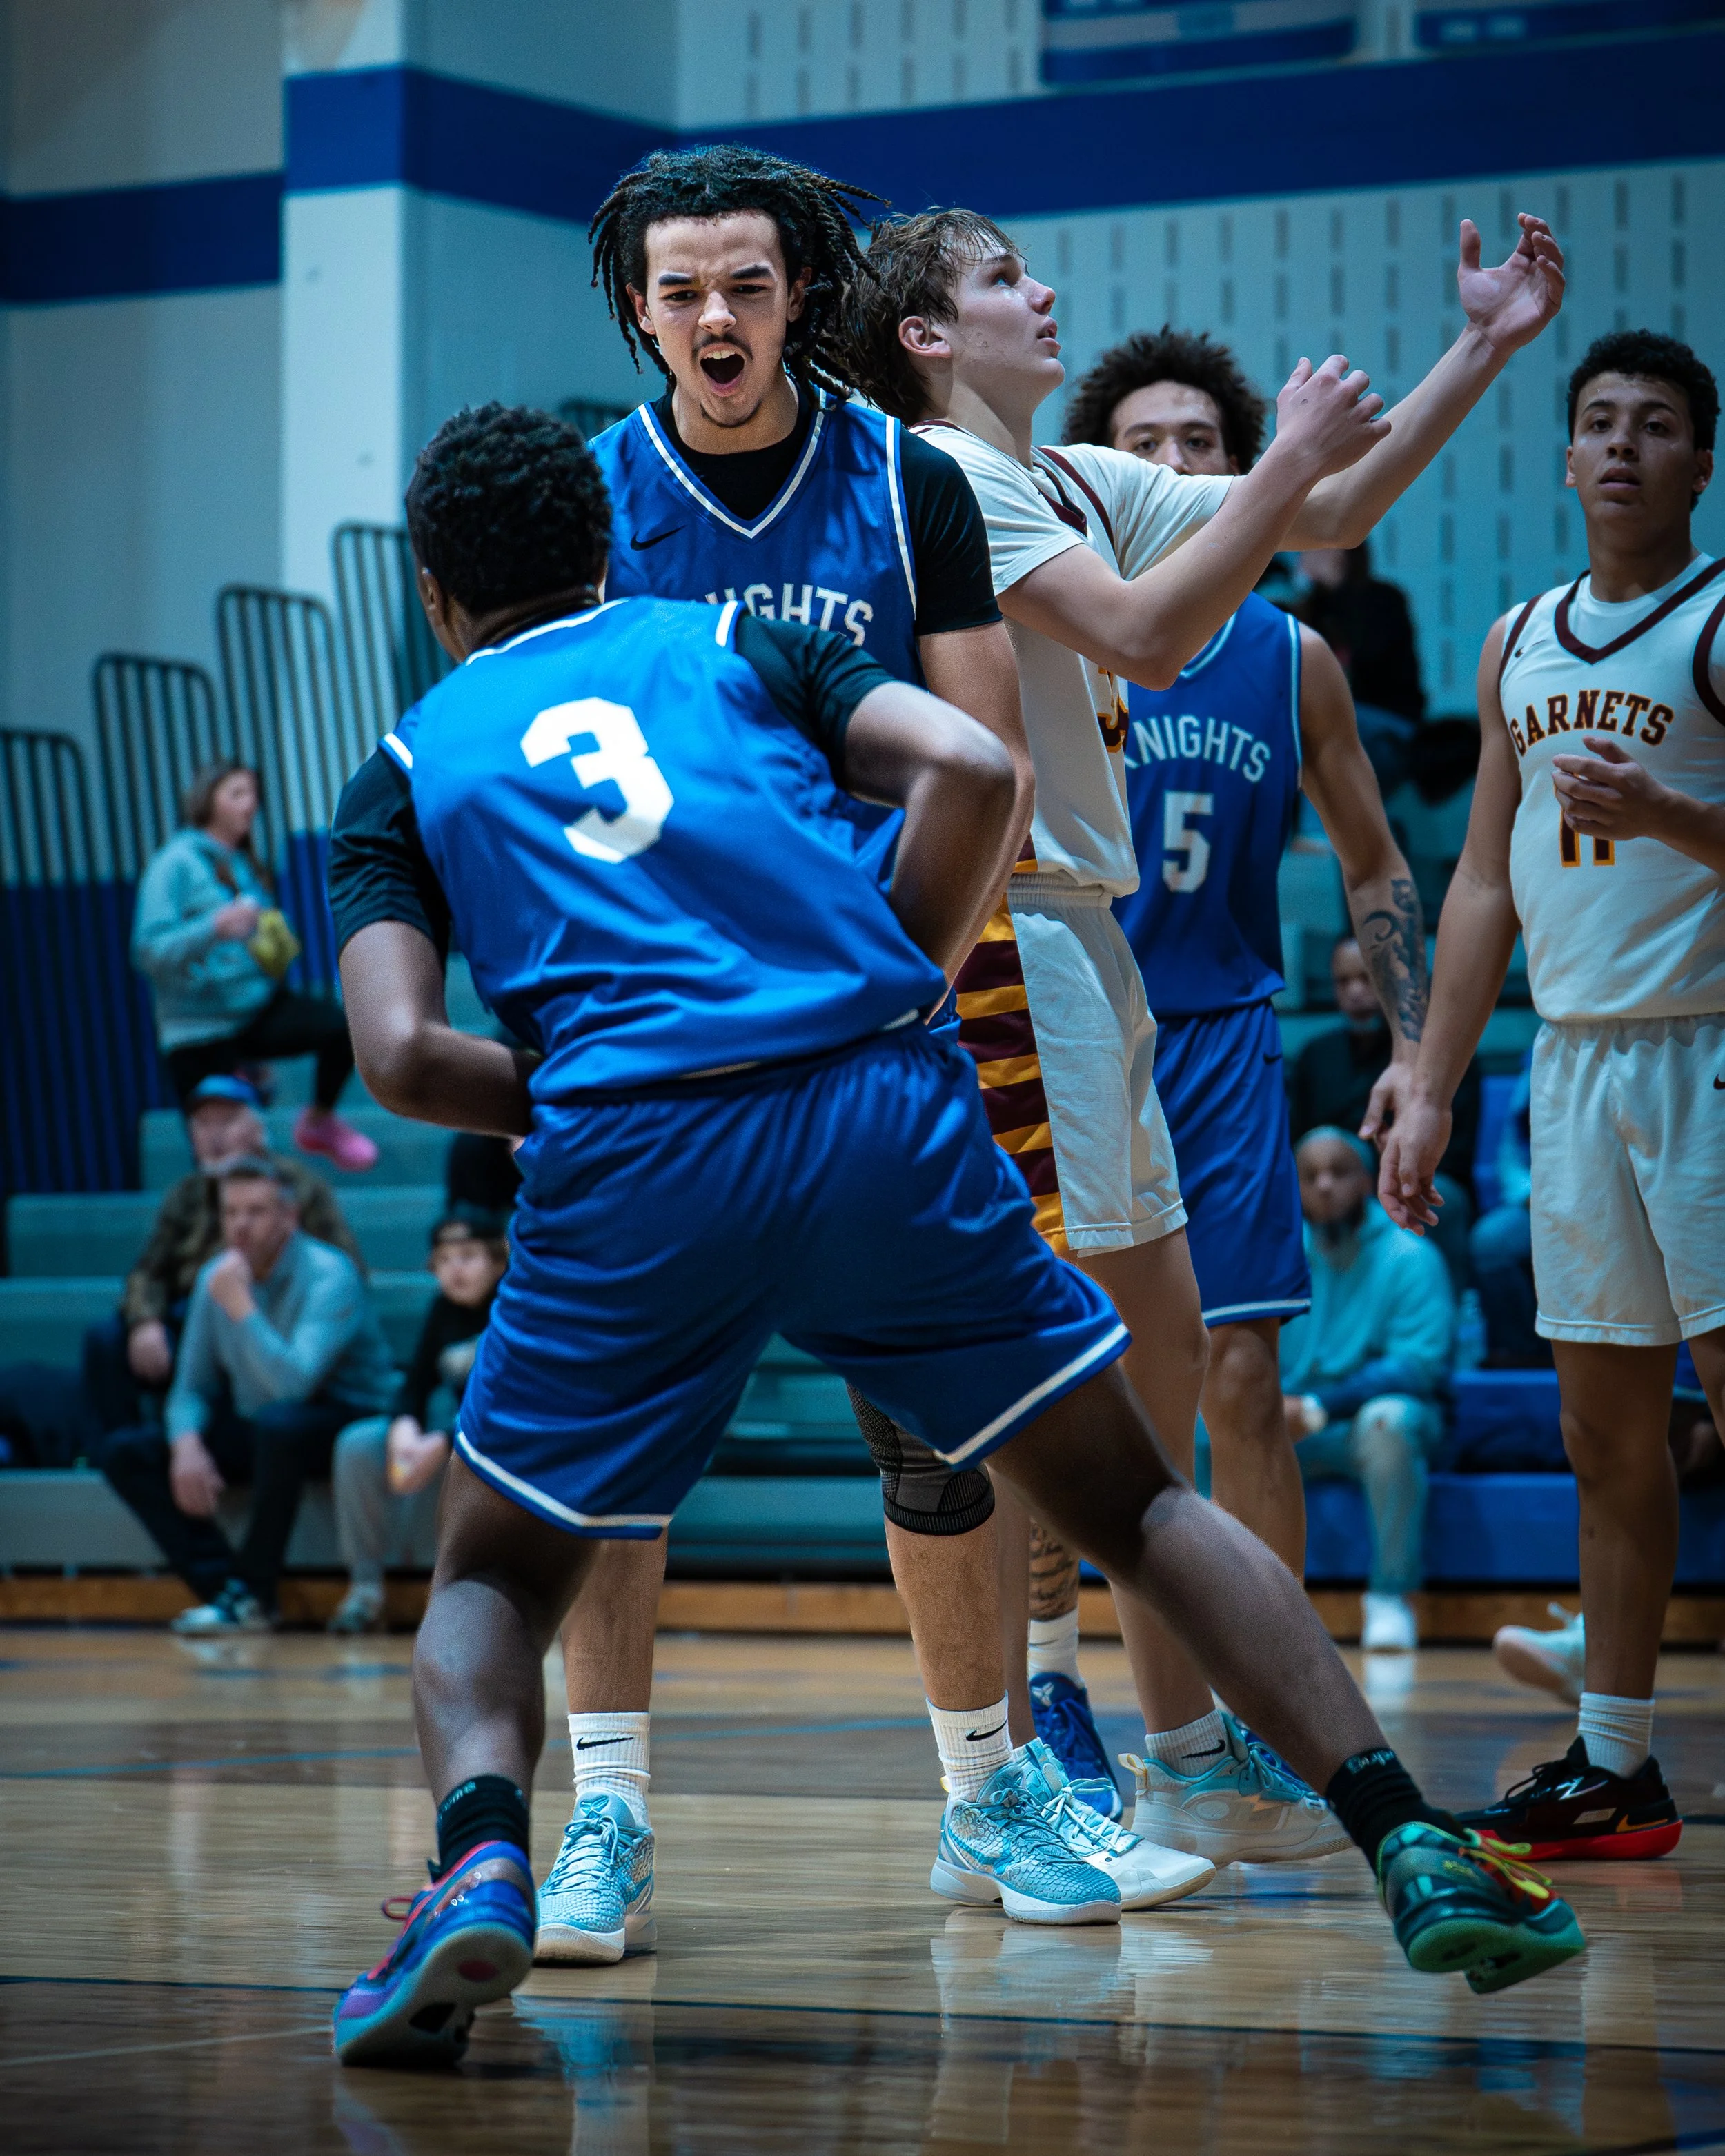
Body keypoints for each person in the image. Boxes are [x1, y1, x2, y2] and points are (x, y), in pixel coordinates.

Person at [323, 402, 1579, 2068]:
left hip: (629, 1148)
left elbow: (399, 1056)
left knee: (491, 1571)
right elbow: (978, 768)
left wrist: (578, 1096)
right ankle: (1409, 1834)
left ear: (432, 595)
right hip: (877, 1107)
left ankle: (485, 1855)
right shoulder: (738, 634)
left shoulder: (399, 764)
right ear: (606, 550)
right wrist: (891, 980)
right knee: (1135, 1497)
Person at [847, 200, 1564, 1853]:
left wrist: (1482, 345)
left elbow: (1330, 509)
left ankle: (1170, 1731)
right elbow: (1155, 633)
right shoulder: (941, 480)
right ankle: (1027, 1751)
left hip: (1103, 954)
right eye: (1001, 275)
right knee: (1060, 1369)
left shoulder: (1078, 475)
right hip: (1007, 940)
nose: (1045, 287)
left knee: (1157, 1362)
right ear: (927, 337)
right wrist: (1276, 455)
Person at [553, 139, 1118, 1942]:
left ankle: (984, 1795)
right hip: (661, 1019)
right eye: (677, 289)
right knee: (609, 1437)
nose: (712, 316)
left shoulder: (905, 483)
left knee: (936, 1429)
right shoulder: (588, 501)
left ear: (802, 294)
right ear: (636, 309)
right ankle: (605, 1818)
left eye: (743, 283)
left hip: (881, 1000)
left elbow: (990, 766)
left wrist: (881, 987)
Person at [1052, 325, 1435, 1804]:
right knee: (1072, 1390)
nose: (1169, 467)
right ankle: (1073, 1699)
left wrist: (1407, 1041)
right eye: (1137, 446)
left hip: (1213, 1036)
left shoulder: (1294, 656)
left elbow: (1374, 862)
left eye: (1197, 445)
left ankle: (1271, 1708)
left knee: (1238, 1368)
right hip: (1073, 1022)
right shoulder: (1055, 622)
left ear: (1242, 468)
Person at [1381, 328, 1725, 1861]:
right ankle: (1613, 1765)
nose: (1621, 446)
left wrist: (1667, 810)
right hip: (1574, 1059)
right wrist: (1430, 1080)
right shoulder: (1516, 635)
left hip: (1708, 1042)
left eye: (1655, 425)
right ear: (1564, 451)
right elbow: (1475, 883)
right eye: (1597, 421)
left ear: (1699, 462)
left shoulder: (1719, 619)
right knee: (1606, 1435)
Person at [101, 1156, 396, 1632]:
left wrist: (241, 1308)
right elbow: (191, 1388)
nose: (240, 1224)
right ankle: (227, 1587)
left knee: (281, 1423)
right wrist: (187, 1444)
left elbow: (295, 1384)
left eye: (256, 1211)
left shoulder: (330, 1274)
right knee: (127, 1452)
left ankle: (254, 1593)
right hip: (264, 1421)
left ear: (289, 1216)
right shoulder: (215, 1277)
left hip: (347, 1415)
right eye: (231, 1211)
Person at [81, 1075, 363, 1436]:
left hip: (274, 1322)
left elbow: (342, 1271)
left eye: (227, 1122)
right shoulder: (185, 1194)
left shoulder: (298, 1187)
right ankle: (133, 1447)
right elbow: (148, 1271)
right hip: (198, 1318)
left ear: (258, 1127)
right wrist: (144, 1320)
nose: (213, 1136)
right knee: (105, 1340)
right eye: (202, 1124)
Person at [132, 759, 378, 1170]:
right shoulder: (174, 864)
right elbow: (150, 951)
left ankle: (320, 1121)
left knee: (341, 1027)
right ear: (207, 801)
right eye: (237, 794)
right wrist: (215, 927)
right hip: (199, 1032)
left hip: (253, 1011)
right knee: (222, 1162)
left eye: (254, 795)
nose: (251, 805)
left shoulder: (242, 865)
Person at [1281, 1129, 1453, 1652]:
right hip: (1289, 1422)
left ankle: (1390, 1595)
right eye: (1311, 1176)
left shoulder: (1410, 1256)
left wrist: (1317, 1406)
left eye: (1339, 1171)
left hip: (1360, 1421)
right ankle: (1220, 1600)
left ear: (1366, 1178)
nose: (1326, 1185)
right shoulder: (1277, 1258)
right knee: (1204, 1427)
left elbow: (1419, 1367)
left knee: (1389, 1420)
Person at [328, 1211, 509, 1635]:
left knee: (458, 1464)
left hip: (505, 1441)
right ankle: (365, 1588)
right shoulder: (442, 1310)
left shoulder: (516, 1312)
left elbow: (512, 1405)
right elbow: (413, 1387)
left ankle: (455, 1593)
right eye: (443, 1260)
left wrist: (443, 1441)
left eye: (467, 1256)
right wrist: (403, 1427)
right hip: (457, 1434)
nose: (454, 1269)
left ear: (499, 1262)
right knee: (358, 1444)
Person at [1291, 933, 1479, 1290]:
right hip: (1333, 1184)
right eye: (1343, 982)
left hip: (1413, 1179)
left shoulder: (1443, 1056)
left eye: (1368, 979)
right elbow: (1300, 1142)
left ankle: (1442, 1322)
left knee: (1444, 1200)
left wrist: (1379, 1181)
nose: (1356, 993)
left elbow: (1456, 1153)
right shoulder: (1315, 1056)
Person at [1297, 540, 1427, 798]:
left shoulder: (1384, 600)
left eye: (1321, 545)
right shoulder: (1312, 606)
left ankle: (1318, 835)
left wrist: (1338, 588)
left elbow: (1369, 663)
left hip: (1387, 723)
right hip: (1337, 724)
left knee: (1320, 732)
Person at [1468, 1049, 1547, 1367]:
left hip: (1607, 1203)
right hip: (1538, 1199)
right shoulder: (1537, 1057)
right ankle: (1519, 1349)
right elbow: (1511, 1147)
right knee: (1491, 1240)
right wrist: (1529, 1193)